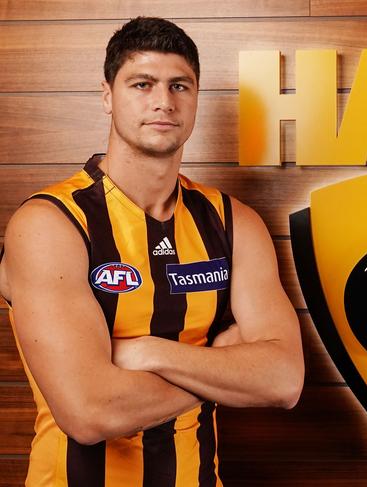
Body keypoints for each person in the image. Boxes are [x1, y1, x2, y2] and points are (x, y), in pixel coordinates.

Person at [0, 17, 304, 486]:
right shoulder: (50, 223)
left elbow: (283, 380)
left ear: (196, 99)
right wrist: (221, 364)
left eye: (179, 85)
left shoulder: (233, 222)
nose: (163, 101)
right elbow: (89, 412)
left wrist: (148, 352)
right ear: (108, 95)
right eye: (142, 84)